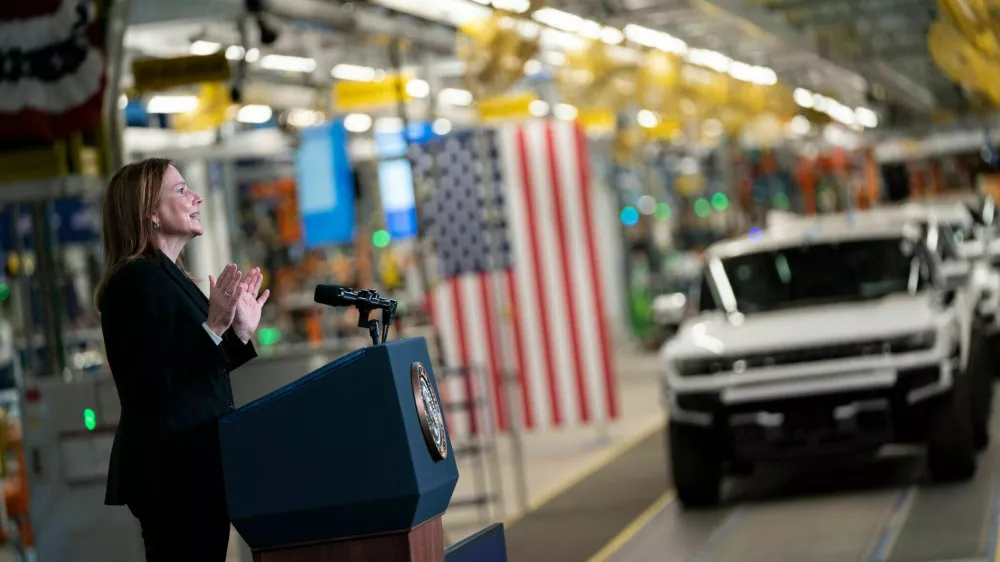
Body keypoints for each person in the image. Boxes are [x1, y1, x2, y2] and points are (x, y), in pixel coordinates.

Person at [95, 158, 270, 562]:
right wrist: (213, 327)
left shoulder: (168, 276)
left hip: (195, 464)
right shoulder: (134, 282)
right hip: (172, 471)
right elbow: (150, 384)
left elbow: (196, 369)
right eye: (180, 190)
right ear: (149, 213)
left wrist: (237, 331)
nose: (197, 197)